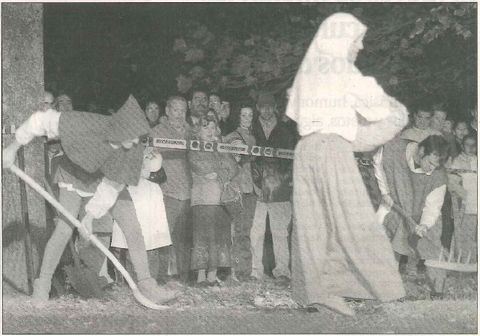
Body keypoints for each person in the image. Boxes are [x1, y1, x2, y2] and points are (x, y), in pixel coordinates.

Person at [3, 94, 181, 305]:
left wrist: (89, 216)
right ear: (120, 128)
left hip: (106, 180)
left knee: (132, 226)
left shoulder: (133, 150)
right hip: (75, 175)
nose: (135, 142)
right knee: (64, 229)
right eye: (132, 135)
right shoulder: (85, 123)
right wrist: (12, 149)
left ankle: (147, 285)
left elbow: (111, 188)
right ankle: (42, 288)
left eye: (138, 137)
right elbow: (39, 121)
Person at [286, 12, 407, 316]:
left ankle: (320, 293)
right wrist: (398, 111)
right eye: (357, 39)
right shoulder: (341, 69)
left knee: (315, 226)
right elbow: (379, 108)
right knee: (355, 219)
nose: (361, 46)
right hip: (332, 150)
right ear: (341, 39)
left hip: (305, 151)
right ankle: (386, 291)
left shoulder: (310, 71)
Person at [374, 135, 450, 299]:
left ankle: (437, 290)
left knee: (432, 241)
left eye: (435, 167)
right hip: (394, 202)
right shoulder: (392, 148)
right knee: (384, 235)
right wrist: (385, 191)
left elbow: (433, 207)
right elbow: (378, 164)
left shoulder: (438, 175)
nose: (431, 170)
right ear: (421, 151)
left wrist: (424, 225)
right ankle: (386, 288)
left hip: (421, 211)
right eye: (429, 163)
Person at [250, 91, 296, 282]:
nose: (267, 110)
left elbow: (292, 159)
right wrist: (255, 182)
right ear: (258, 108)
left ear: (274, 108)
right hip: (258, 185)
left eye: (270, 106)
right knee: (256, 232)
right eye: (263, 106)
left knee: (280, 231)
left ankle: (282, 270)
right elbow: (250, 160)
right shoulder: (251, 129)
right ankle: (255, 271)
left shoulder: (285, 130)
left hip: (280, 186)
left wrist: (284, 180)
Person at [188, 115, 239, 286]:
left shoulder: (221, 147)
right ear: (198, 130)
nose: (209, 131)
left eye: (212, 127)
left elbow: (233, 168)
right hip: (202, 199)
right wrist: (220, 168)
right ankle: (201, 277)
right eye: (205, 127)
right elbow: (200, 167)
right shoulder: (194, 146)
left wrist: (219, 172)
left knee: (219, 237)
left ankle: (212, 275)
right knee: (202, 237)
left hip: (221, 200)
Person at [151, 96, 193, 283]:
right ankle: (160, 275)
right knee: (163, 235)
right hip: (167, 192)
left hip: (189, 192)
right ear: (167, 111)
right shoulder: (156, 132)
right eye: (175, 110)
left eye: (183, 110)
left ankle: (184, 276)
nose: (179, 114)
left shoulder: (192, 133)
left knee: (184, 238)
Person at [223, 105, 257, 279]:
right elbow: (230, 162)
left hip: (251, 188)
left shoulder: (254, 137)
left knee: (245, 231)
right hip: (237, 188)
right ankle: (233, 269)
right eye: (244, 114)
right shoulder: (232, 137)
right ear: (238, 117)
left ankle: (244, 270)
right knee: (236, 230)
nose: (247, 118)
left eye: (250, 115)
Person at [448, 133, 477, 263]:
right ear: (462, 145)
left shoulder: (477, 160)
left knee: (474, 234)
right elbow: (453, 183)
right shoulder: (457, 161)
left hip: (476, 203)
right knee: (463, 233)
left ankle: (474, 261)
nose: (471, 148)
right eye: (467, 145)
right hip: (465, 204)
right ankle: (462, 260)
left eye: (474, 145)